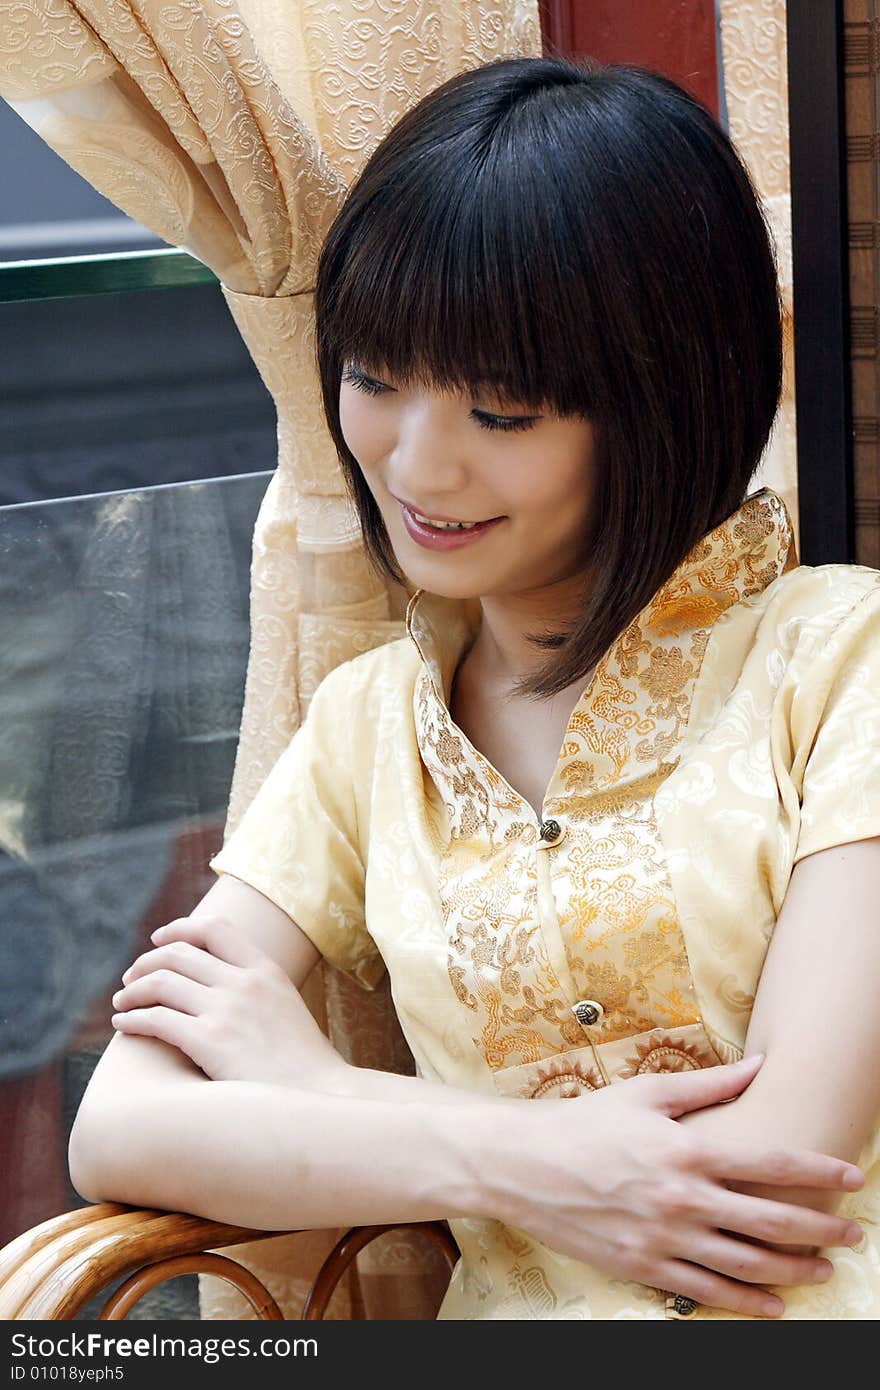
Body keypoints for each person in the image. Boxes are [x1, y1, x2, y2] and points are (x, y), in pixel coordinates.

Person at [68, 54, 880, 1321]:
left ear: (662, 396)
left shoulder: (844, 660)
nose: (417, 462)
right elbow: (122, 1126)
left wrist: (326, 1092)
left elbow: (764, 1185)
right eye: (378, 377)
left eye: (502, 410)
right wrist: (533, 1157)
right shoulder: (365, 723)